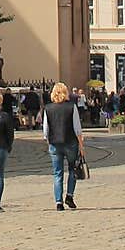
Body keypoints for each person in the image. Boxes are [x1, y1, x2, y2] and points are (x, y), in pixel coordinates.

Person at [43, 82, 86, 211]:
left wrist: (48, 141)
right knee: (72, 169)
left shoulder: (48, 108)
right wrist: (81, 146)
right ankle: (69, 195)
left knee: (57, 173)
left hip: (55, 143)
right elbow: (77, 128)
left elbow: (46, 130)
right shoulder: (71, 107)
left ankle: (58, 202)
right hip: (70, 142)